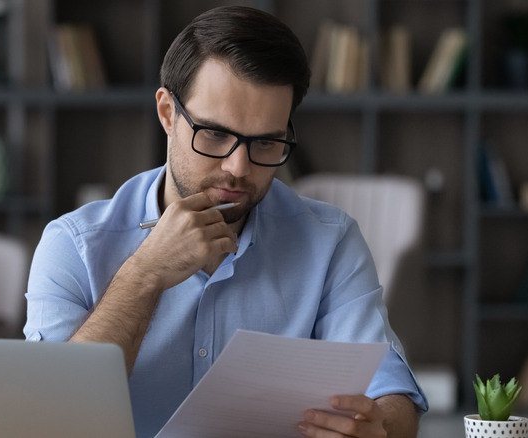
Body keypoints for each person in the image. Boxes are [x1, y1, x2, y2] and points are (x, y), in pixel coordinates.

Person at [24, 5, 427, 438]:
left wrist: (378, 429)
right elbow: (51, 418)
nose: (238, 168)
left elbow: (392, 394)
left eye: (266, 143)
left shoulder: (330, 243)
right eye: (215, 134)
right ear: (167, 114)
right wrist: (145, 274)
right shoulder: (72, 244)